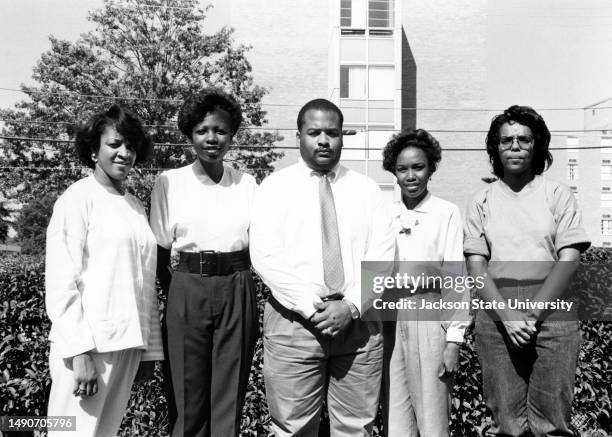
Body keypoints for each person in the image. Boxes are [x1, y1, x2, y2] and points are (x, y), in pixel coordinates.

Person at [250, 98, 396, 436]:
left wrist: (351, 306)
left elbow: (383, 256)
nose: (323, 140)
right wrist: (311, 306)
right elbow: (266, 255)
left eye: (332, 132)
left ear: (343, 136)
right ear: (298, 135)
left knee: (356, 428)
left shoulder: (368, 190)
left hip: (358, 325)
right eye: (314, 132)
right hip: (294, 324)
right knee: (293, 429)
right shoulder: (274, 188)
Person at [464, 105, 590, 436]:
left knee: (552, 422)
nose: (515, 146)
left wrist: (533, 312)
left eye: (524, 138)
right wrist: (507, 316)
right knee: (507, 421)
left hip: (553, 313)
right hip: (497, 316)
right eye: (506, 140)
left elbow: (570, 257)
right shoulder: (481, 201)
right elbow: (476, 267)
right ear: (495, 148)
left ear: (537, 145)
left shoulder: (557, 194)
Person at [45, 104, 162, 437]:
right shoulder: (77, 198)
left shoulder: (135, 206)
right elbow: (61, 281)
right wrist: (78, 351)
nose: (124, 153)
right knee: (69, 433)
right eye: (115, 144)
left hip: (127, 345)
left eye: (131, 147)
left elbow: (145, 280)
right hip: (88, 347)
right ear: (94, 150)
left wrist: (149, 350)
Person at [149, 88, 258, 437]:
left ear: (232, 135)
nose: (212, 138)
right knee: (187, 394)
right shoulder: (170, 182)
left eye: (220, 131)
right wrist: (182, 292)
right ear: (190, 135)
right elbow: (161, 250)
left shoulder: (248, 183)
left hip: (237, 284)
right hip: (187, 286)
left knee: (228, 395)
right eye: (202, 131)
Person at [381, 128, 470, 437]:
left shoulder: (446, 212)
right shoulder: (384, 213)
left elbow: (455, 278)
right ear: (393, 171)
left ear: (431, 168)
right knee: (395, 419)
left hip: (430, 316)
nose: (411, 176)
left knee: (432, 420)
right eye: (402, 168)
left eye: (418, 167)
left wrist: (453, 341)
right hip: (389, 319)